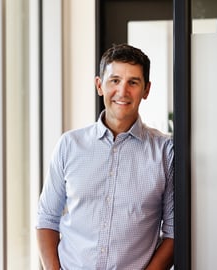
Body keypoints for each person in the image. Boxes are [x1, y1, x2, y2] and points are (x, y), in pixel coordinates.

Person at [36, 44, 174, 270]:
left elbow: (173, 231)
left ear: (146, 90)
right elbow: (47, 219)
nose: (122, 91)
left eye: (133, 82)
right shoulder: (69, 145)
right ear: (99, 85)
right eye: (115, 80)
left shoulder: (165, 152)